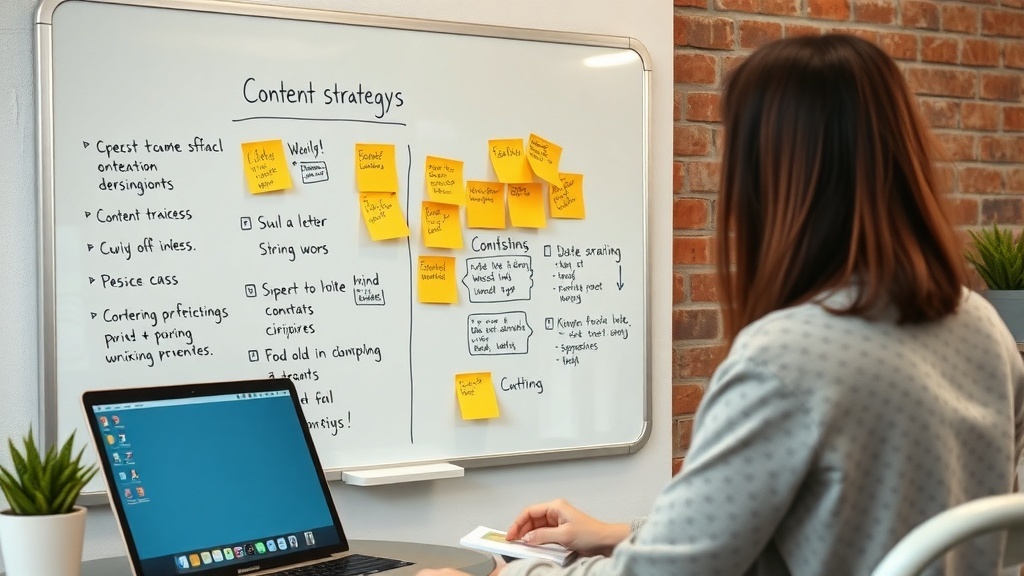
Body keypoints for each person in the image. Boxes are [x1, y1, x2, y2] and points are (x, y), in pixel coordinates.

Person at [418, 34, 1024, 576]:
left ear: (767, 177)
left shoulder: (789, 358)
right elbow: (853, 527)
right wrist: (620, 535)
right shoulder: (982, 329)